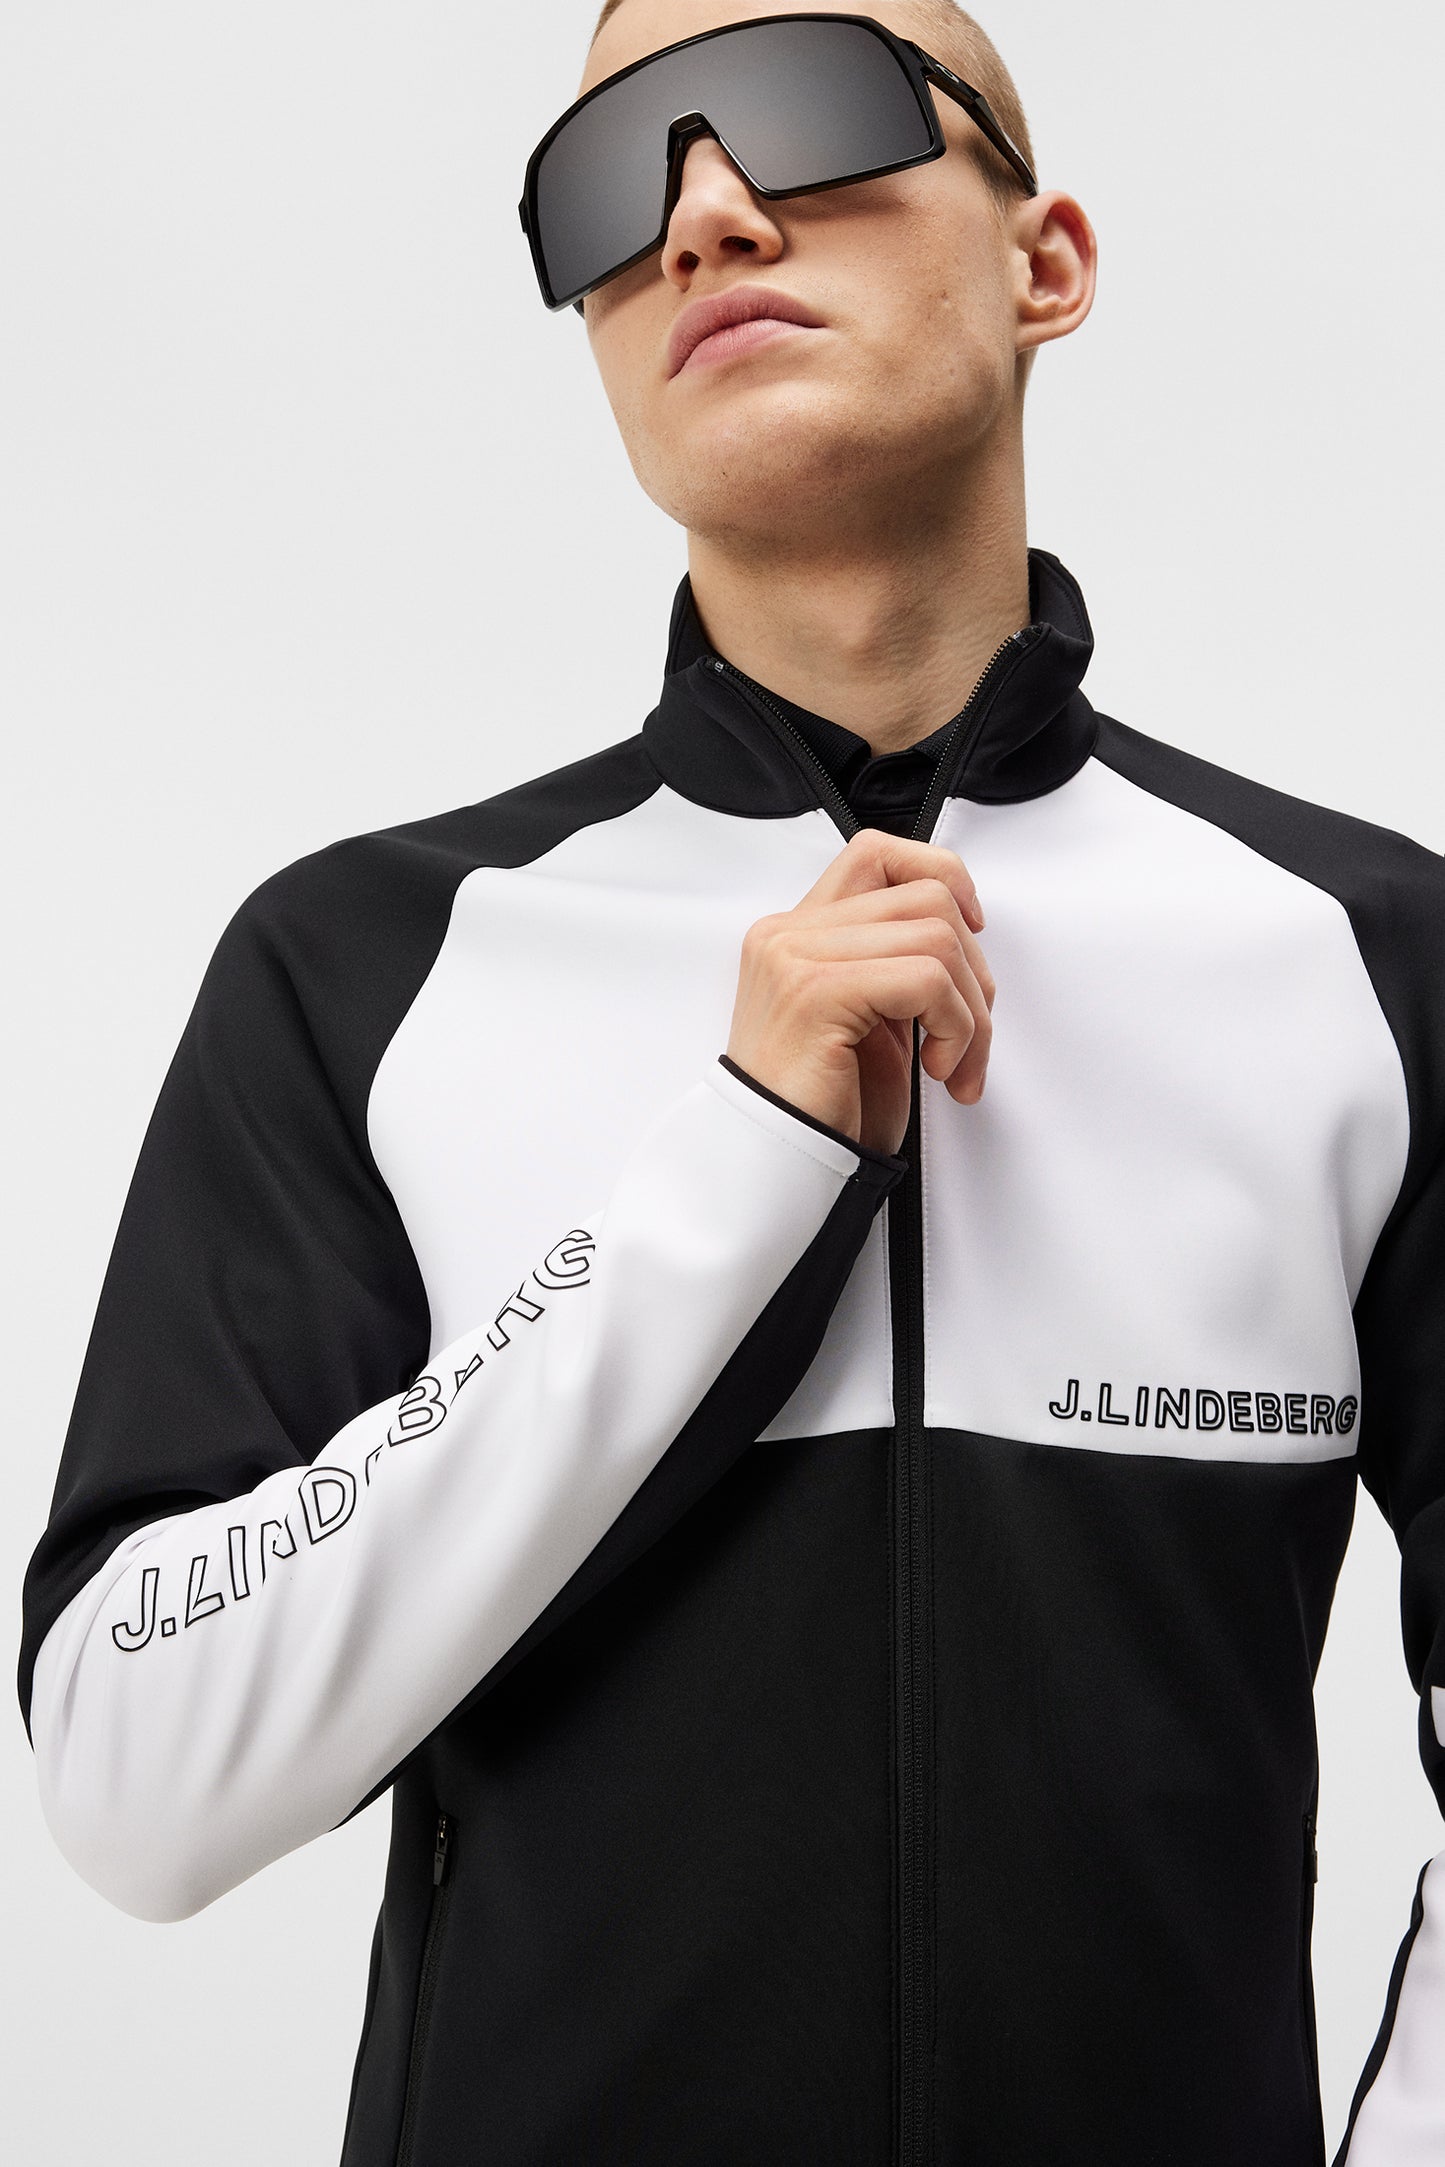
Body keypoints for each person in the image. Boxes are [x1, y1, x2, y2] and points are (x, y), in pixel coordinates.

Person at [16, 0, 1445, 2160]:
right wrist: (736, 1163)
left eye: (803, 106)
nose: (701, 213)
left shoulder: (1367, 960)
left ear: (1046, 261)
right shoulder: (366, 962)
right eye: (607, 184)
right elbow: (136, 1776)